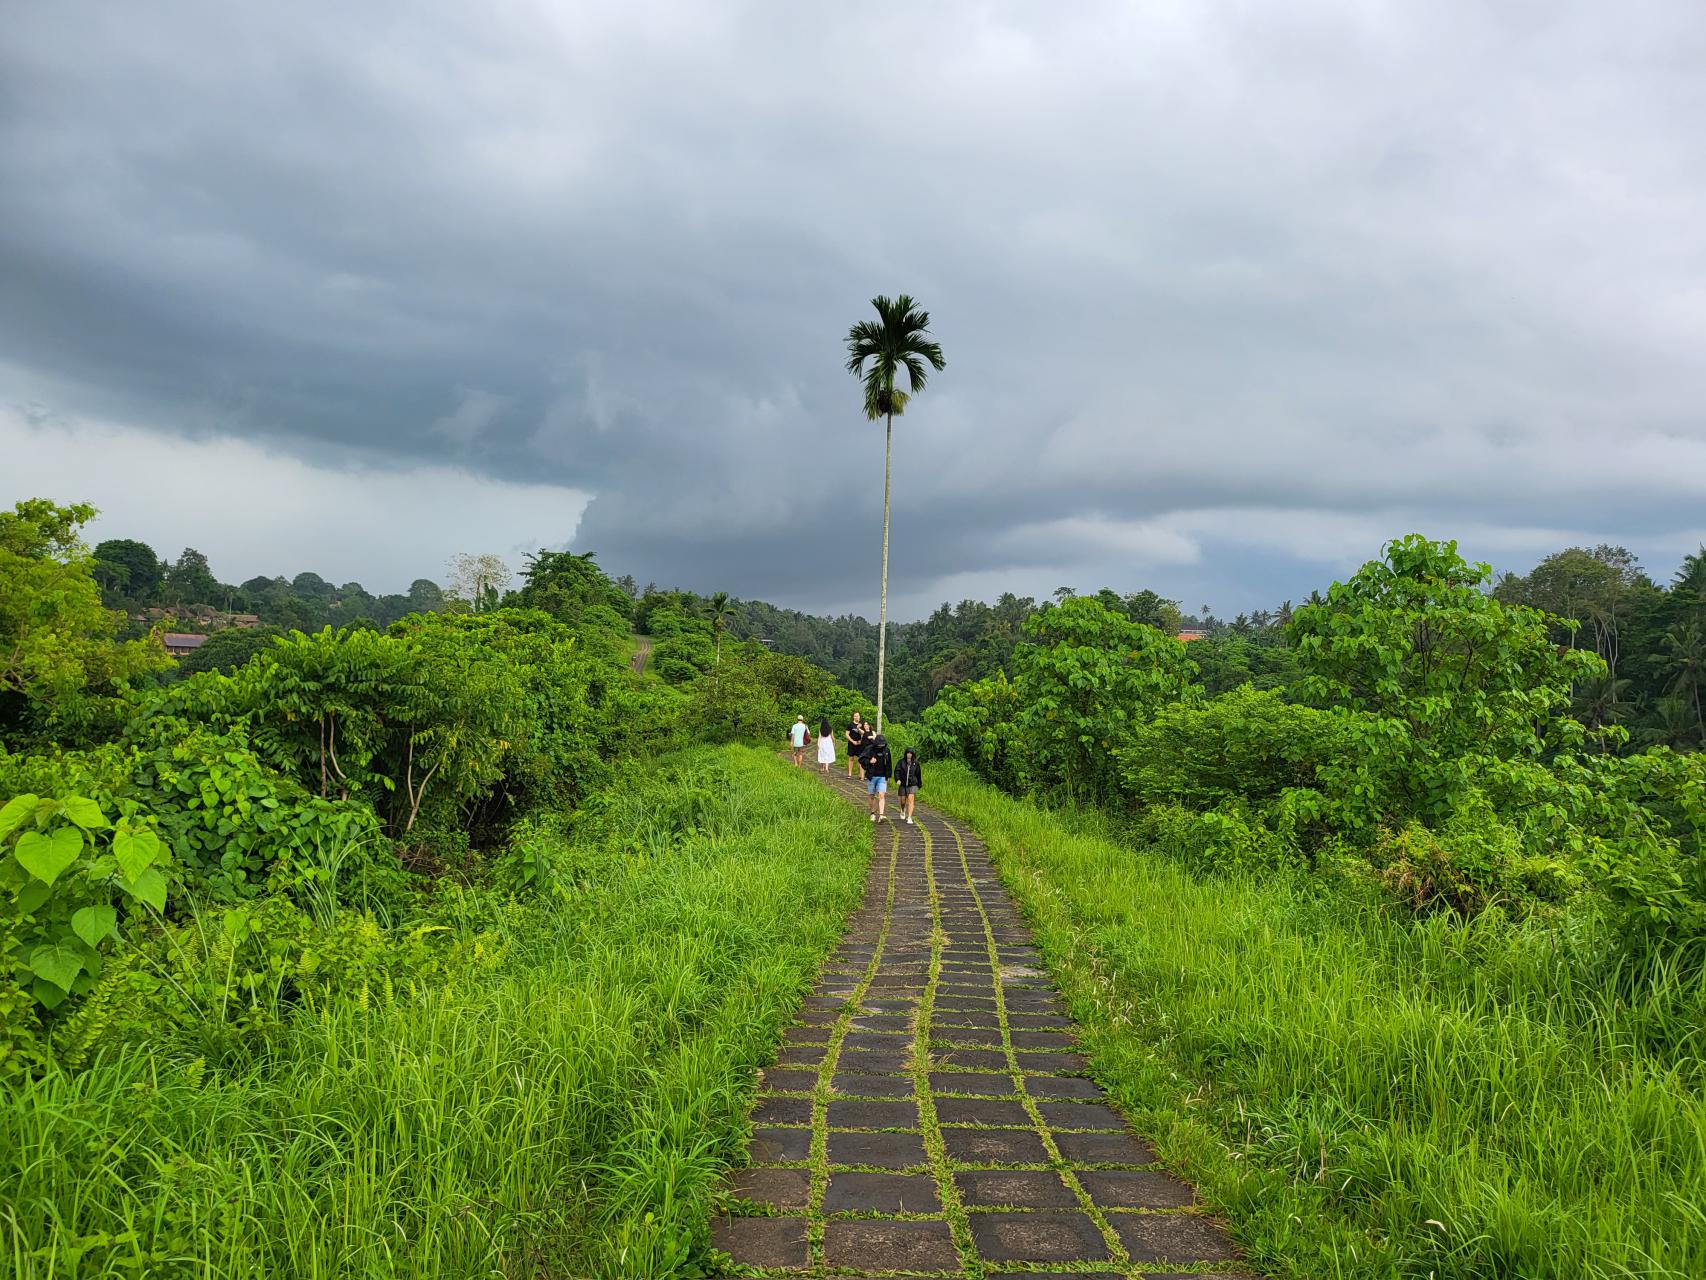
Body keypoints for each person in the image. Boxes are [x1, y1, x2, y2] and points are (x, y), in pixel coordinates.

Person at [860, 731, 892, 822]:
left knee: (881, 795)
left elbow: (889, 763)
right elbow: (861, 759)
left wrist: (888, 775)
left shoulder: (886, 750)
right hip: (872, 776)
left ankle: (881, 815)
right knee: (871, 795)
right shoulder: (869, 749)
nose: (880, 747)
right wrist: (870, 761)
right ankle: (873, 812)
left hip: (882, 776)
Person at [894, 747, 923, 824]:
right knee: (903, 800)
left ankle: (909, 817)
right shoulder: (901, 762)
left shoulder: (916, 763)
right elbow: (897, 771)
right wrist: (897, 779)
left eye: (910, 753)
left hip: (912, 784)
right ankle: (903, 810)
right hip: (903, 784)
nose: (909, 755)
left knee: (911, 799)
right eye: (908, 753)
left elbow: (918, 774)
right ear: (905, 754)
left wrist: (919, 784)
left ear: (913, 754)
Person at [845, 711, 867, 779]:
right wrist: (852, 741)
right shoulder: (850, 725)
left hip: (860, 744)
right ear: (853, 717)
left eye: (858, 716)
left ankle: (861, 774)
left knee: (860, 759)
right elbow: (846, 734)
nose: (857, 717)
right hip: (852, 744)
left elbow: (865, 733)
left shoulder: (862, 724)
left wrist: (858, 728)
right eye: (855, 716)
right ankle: (850, 774)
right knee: (851, 758)